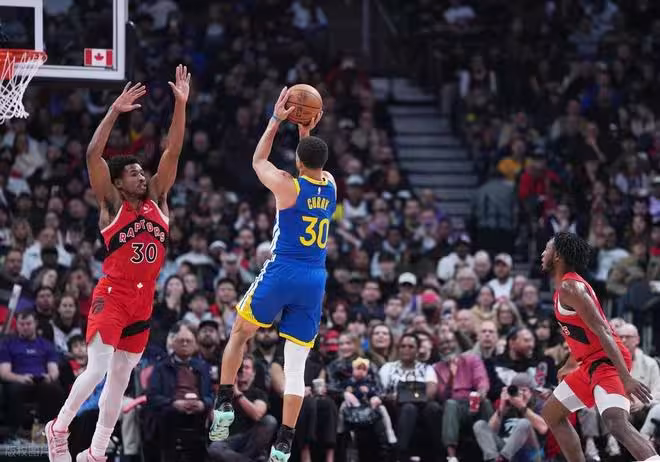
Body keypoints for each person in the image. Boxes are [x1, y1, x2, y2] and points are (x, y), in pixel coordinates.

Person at [46, 65, 190, 462]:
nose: (142, 177)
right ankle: (59, 428)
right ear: (118, 182)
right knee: (97, 368)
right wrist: (113, 111)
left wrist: (181, 105)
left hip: (144, 301)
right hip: (112, 294)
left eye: (142, 172)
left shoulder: (158, 198)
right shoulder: (111, 205)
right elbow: (93, 154)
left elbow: (173, 151)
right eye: (133, 173)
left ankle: (95, 453)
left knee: (120, 379)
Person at [209, 87, 334, 462]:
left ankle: (224, 402)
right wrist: (305, 130)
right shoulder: (330, 185)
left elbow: (258, 160)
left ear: (297, 160)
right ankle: (285, 440)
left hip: (283, 271)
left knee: (240, 333)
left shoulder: (287, 185)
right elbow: (310, 159)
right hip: (315, 279)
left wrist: (277, 119)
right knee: (296, 368)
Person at [539, 232, 660, 462]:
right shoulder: (564, 288)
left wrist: (626, 379)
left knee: (616, 422)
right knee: (552, 413)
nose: (542, 253)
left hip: (606, 360)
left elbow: (603, 331)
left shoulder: (571, 288)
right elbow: (581, 334)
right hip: (590, 362)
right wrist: (571, 363)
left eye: (547, 248)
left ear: (558, 256)